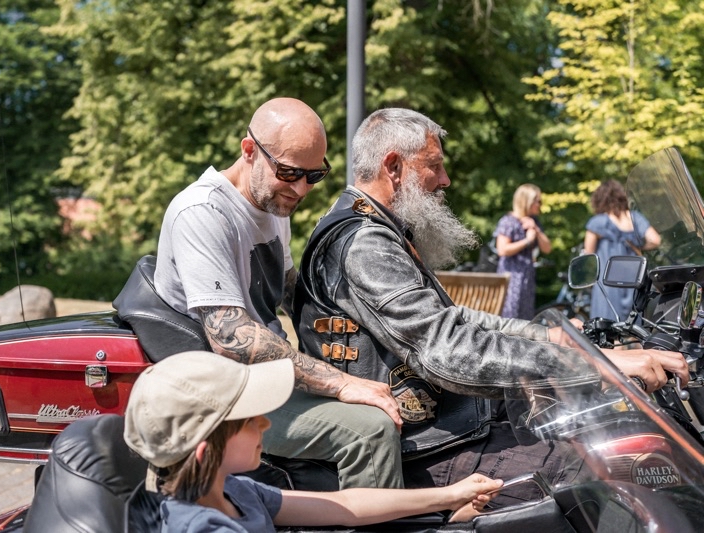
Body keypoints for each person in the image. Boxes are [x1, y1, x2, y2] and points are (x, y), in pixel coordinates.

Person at [293, 107, 689, 506]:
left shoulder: (377, 229)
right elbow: (448, 351)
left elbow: (456, 320)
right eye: (434, 166)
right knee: (598, 468)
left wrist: (560, 339)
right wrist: (597, 368)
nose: (445, 180)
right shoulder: (365, 244)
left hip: (445, 423)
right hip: (421, 445)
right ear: (393, 166)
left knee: (598, 435)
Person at [153, 97, 403, 490]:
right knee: (371, 431)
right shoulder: (201, 212)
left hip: (264, 379)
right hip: (224, 395)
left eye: (314, 175)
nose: (301, 189)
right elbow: (230, 338)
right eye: (289, 171)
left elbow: (295, 294)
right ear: (249, 150)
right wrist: (340, 382)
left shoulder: (271, 206)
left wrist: (376, 326)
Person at [123, 351, 504, 532]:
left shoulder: (233, 491)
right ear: (207, 451)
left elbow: (344, 504)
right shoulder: (205, 528)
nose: (266, 422)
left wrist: (450, 496)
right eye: (251, 418)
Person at [584, 179, 661, 321]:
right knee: (636, 331)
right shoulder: (635, 218)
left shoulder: (598, 222)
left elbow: (589, 253)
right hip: (635, 279)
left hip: (609, 281)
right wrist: (640, 247)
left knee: (608, 331)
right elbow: (656, 240)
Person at [494, 184, 552, 319]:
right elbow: (502, 250)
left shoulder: (534, 221)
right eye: (538, 201)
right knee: (509, 319)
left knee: (525, 321)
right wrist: (527, 241)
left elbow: (547, 248)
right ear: (527, 201)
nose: (540, 205)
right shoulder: (509, 221)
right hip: (511, 280)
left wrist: (536, 230)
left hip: (527, 279)